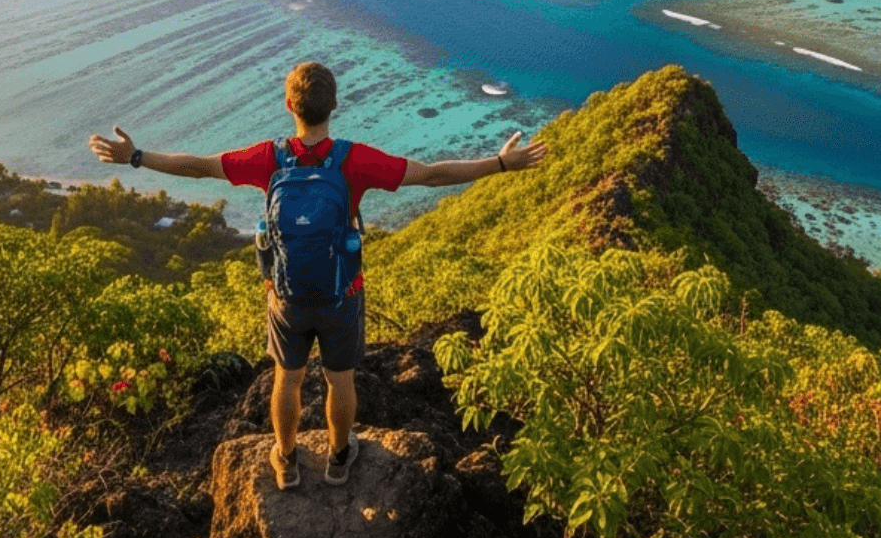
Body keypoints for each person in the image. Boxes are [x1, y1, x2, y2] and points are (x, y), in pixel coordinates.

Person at [89, 61, 546, 490]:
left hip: (285, 295)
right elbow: (431, 175)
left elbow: (199, 166)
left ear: (290, 106)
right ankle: (339, 457)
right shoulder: (355, 160)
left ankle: (285, 460)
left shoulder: (268, 158)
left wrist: (137, 157)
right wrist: (502, 163)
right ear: (334, 106)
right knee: (339, 379)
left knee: (287, 378)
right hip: (342, 292)